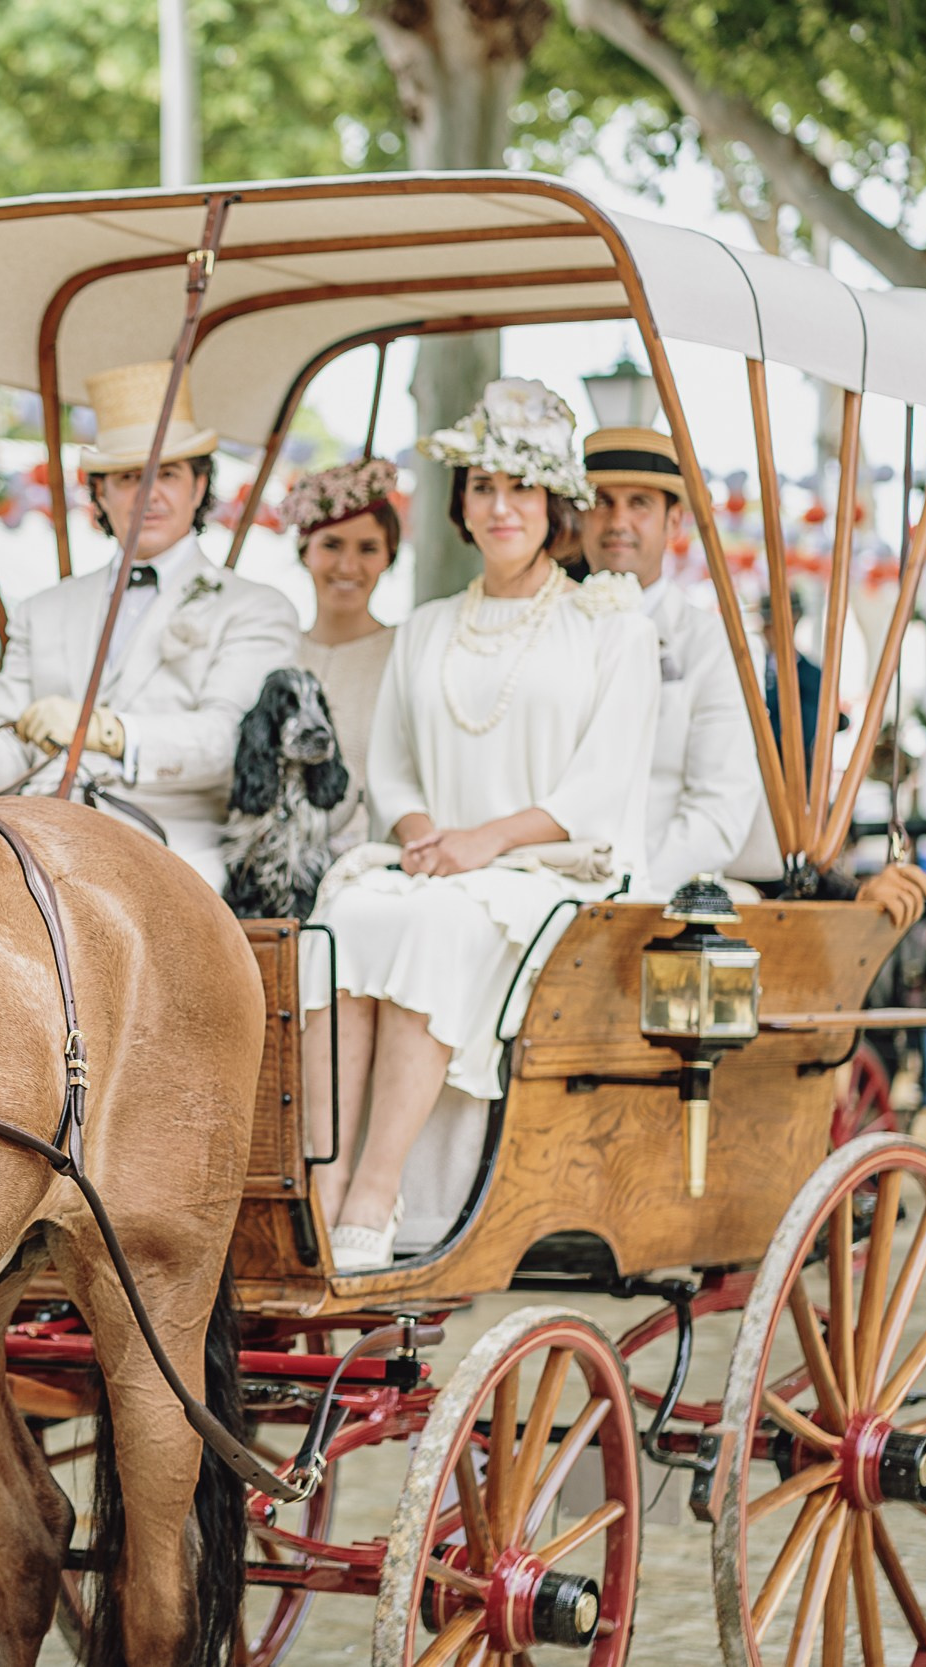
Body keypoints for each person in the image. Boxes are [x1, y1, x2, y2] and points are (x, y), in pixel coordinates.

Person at [306, 380, 660, 1270]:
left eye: (522, 489)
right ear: (462, 503)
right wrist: (426, 830)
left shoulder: (609, 625)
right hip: (435, 861)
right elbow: (390, 764)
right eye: (483, 487)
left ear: (554, 506)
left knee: (427, 922)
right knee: (340, 921)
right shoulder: (426, 628)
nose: (501, 507)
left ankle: (379, 1193)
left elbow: (603, 784)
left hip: (554, 872)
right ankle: (323, 1185)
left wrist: (485, 841)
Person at [0, 360, 299, 888]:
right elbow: (7, 755)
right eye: (128, 478)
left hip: (173, 842)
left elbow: (226, 744)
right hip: (32, 837)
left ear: (199, 486)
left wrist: (110, 732)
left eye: (167, 474)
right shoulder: (42, 610)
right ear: (100, 493)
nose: (149, 494)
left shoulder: (256, 608)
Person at [580, 426, 765, 899]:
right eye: (602, 500)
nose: (617, 520)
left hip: (657, 897)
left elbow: (718, 811)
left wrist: (621, 894)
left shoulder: (715, 646)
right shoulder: (545, 628)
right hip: (543, 888)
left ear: (673, 522)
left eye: (639, 503)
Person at [278, 456, 400, 850]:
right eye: (332, 545)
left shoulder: (404, 653)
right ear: (305, 551)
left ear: (388, 557)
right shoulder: (275, 650)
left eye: (367, 548)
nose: (348, 566)